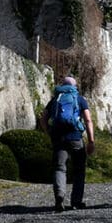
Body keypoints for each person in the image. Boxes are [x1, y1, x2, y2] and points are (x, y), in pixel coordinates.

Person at [43, 76, 95, 213]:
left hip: (58, 138)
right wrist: (91, 141)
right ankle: (76, 201)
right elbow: (88, 120)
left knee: (59, 168)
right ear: (75, 86)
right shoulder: (79, 99)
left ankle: (59, 196)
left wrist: (48, 131)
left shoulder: (55, 99)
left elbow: (43, 117)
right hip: (75, 137)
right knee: (79, 170)